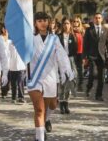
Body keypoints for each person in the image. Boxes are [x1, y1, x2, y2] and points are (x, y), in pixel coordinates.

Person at [28, 12, 74, 141]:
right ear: (35, 23)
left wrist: (67, 70)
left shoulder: (54, 39)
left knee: (52, 105)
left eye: (44, 20)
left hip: (50, 78)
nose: (42, 23)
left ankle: (46, 120)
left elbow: (62, 55)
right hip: (34, 78)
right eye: (39, 20)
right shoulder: (30, 38)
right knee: (39, 109)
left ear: (48, 22)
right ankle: (40, 137)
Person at [83, 13, 108, 101]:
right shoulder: (89, 30)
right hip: (92, 56)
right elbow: (85, 44)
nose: (98, 19)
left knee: (101, 76)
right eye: (96, 18)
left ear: (102, 19)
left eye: (99, 18)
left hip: (102, 57)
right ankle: (89, 87)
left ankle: (98, 95)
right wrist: (85, 57)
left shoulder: (105, 30)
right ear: (93, 19)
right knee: (92, 74)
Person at [57, 18, 77, 114]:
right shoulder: (58, 37)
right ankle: (61, 104)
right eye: (64, 23)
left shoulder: (73, 36)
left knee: (69, 82)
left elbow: (76, 51)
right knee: (62, 83)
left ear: (70, 25)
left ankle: (66, 103)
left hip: (70, 60)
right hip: (61, 61)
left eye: (68, 23)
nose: (66, 25)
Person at [72, 16, 85, 91]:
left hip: (81, 53)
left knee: (81, 70)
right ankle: (73, 85)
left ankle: (80, 85)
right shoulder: (70, 31)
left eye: (77, 21)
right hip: (73, 53)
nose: (76, 23)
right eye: (74, 21)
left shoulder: (83, 31)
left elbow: (85, 43)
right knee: (73, 70)